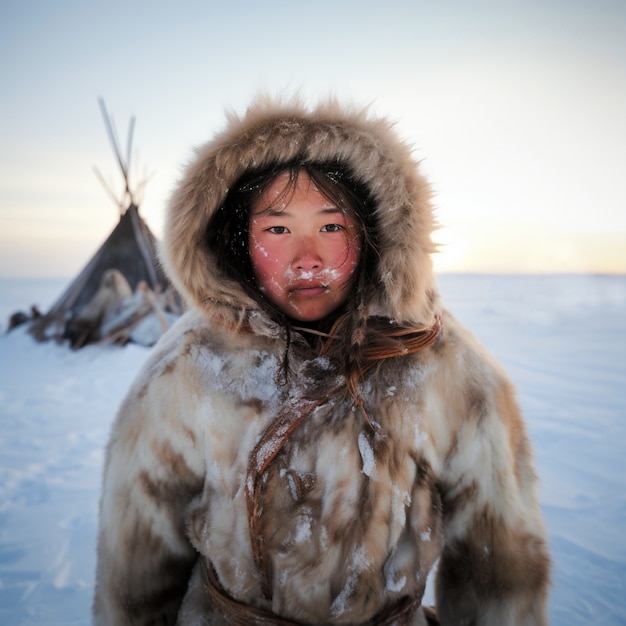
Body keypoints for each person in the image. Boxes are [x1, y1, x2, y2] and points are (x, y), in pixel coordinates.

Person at [92, 97, 551, 625]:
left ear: (373, 233)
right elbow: (136, 568)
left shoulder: (445, 369)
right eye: (278, 230)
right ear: (238, 240)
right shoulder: (189, 368)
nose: (306, 258)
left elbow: (500, 567)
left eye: (332, 228)